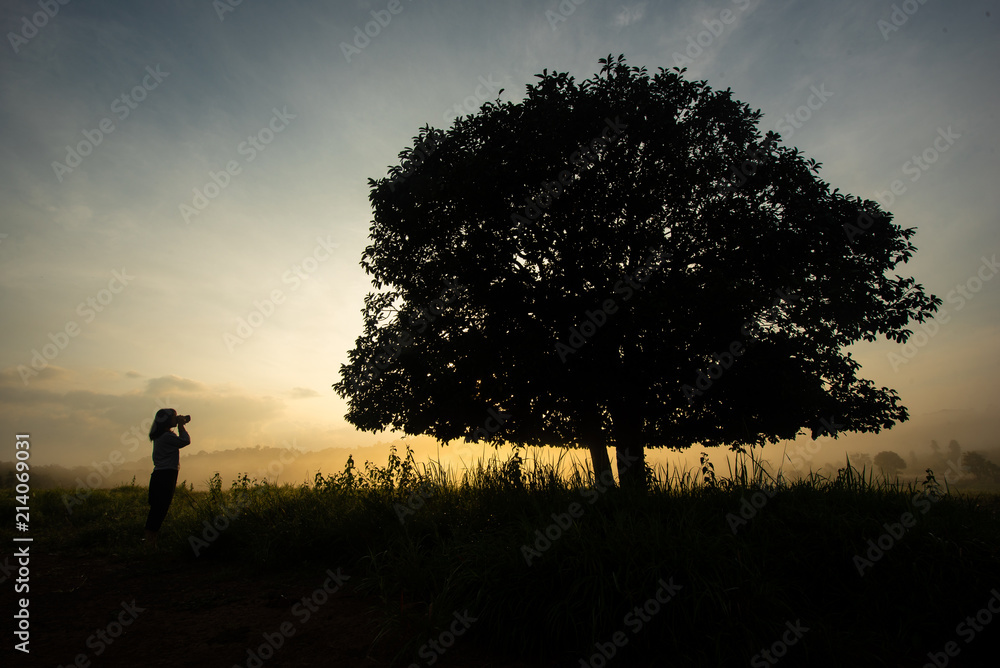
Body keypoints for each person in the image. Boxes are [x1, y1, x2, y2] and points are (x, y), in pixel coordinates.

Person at [143, 408, 191, 549]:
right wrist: (181, 426)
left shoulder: (160, 435)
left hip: (159, 475)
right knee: (160, 509)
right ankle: (150, 542)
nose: (175, 419)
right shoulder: (166, 436)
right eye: (174, 417)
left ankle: (150, 541)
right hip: (166, 475)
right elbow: (185, 441)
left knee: (157, 509)